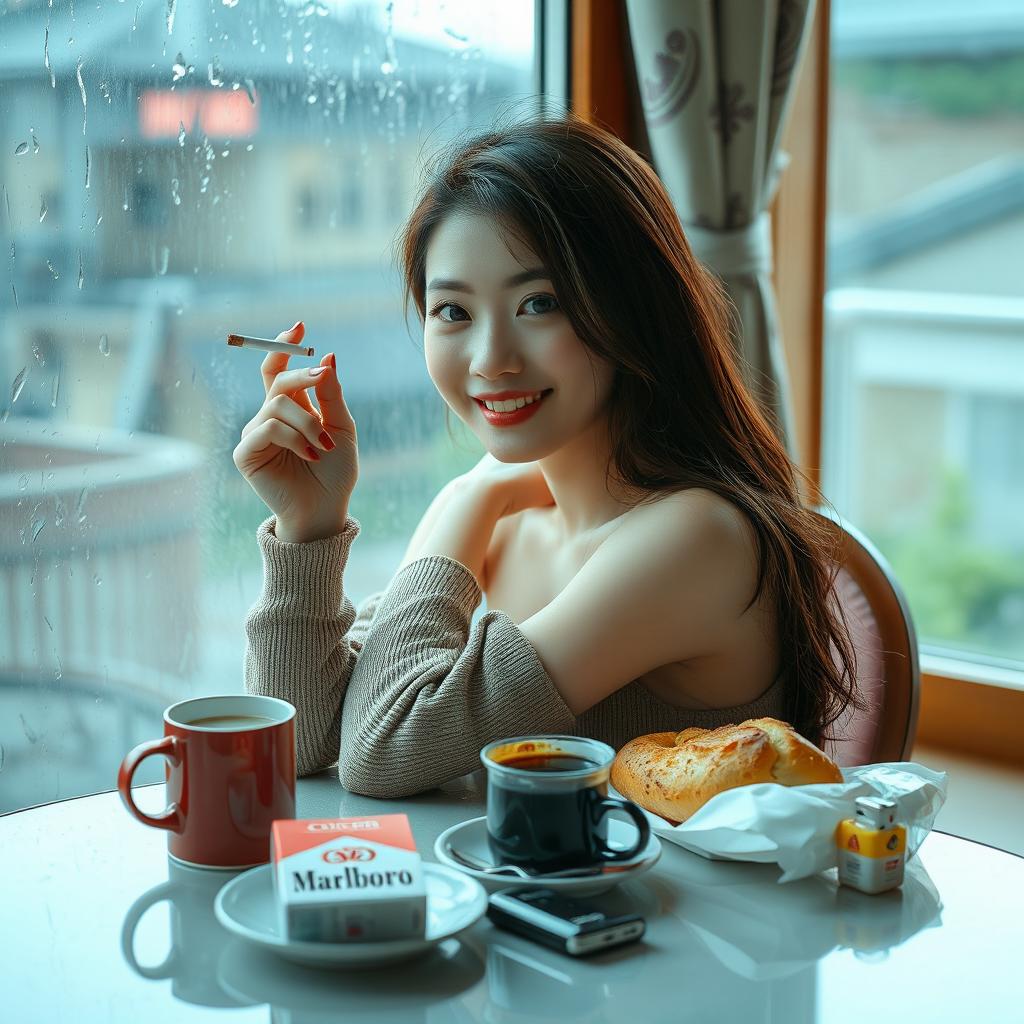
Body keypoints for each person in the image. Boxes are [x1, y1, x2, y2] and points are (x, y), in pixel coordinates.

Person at [235, 114, 858, 799]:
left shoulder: (696, 538)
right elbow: (298, 738)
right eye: (453, 312)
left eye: (539, 303)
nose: (491, 359)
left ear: (632, 307)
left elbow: (383, 750)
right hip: (518, 903)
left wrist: (465, 497)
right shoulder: (512, 519)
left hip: (658, 909)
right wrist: (308, 526)